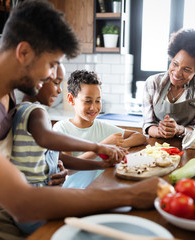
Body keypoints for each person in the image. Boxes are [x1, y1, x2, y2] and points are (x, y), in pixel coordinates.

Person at [0, 1, 159, 239]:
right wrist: (131, 195)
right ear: (24, 52)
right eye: (51, 64)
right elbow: (22, 203)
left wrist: (53, 167)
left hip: (4, 210)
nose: (52, 75)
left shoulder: (7, 97)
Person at [11, 64, 124, 234]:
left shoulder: (24, 110)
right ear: (38, 81)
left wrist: (101, 165)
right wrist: (97, 146)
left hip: (34, 203)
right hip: (36, 203)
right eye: (56, 83)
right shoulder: (35, 111)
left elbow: (62, 159)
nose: (58, 91)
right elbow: (47, 139)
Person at [54, 70, 147, 188]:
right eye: (88, 101)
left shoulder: (101, 126)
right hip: (76, 192)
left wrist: (118, 145)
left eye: (98, 101)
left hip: (102, 186)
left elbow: (140, 137)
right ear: (71, 99)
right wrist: (103, 146)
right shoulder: (61, 128)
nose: (94, 107)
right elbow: (69, 168)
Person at [142, 28, 195, 139]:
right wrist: (161, 131)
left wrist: (179, 130)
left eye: (187, 69)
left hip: (187, 147)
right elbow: (148, 124)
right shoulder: (153, 83)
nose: (177, 73)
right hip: (156, 149)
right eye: (175, 64)